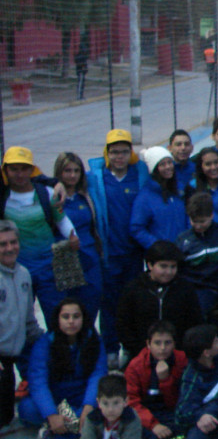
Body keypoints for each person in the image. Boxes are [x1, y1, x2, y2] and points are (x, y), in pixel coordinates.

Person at [87, 130, 149, 366]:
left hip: (134, 254)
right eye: (114, 152)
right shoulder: (96, 178)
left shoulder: (140, 175)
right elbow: (65, 178)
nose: (119, 156)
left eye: (124, 151)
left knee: (132, 302)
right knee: (109, 304)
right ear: (107, 153)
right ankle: (110, 349)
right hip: (109, 254)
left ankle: (130, 348)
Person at [1, 147, 82, 323]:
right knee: (19, 318)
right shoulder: (3, 196)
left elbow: (61, 220)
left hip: (49, 267)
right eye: (14, 169)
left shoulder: (46, 193)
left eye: (24, 168)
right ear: (5, 170)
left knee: (56, 316)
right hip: (16, 268)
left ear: (32, 169)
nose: (19, 174)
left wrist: (73, 236)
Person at [20, 297, 107, 439]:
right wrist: (51, 414)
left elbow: (98, 375)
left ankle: (54, 433)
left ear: (84, 318)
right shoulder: (45, 343)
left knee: (110, 405)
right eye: (65, 317)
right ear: (57, 319)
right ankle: (79, 428)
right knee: (27, 408)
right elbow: (38, 382)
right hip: (56, 399)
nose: (71, 321)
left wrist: (88, 406)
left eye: (76, 316)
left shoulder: (93, 340)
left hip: (82, 398)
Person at [116, 239, 203, 362]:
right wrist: (140, 351)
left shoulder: (185, 289)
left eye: (173, 267)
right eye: (163, 266)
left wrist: (181, 351)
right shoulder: (133, 289)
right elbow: (123, 324)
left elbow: (194, 322)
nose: (168, 272)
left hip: (178, 356)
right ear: (150, 265)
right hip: (140, 356)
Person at [0, 220, 42, 439]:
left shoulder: (24, 274)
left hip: (15, 352)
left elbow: (29, 323)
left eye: (13, 242)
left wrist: (52, 341)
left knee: (11, 416)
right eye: (3, 244)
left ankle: (63, 426)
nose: (9, 248)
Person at [124, 319, 188, 439]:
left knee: (191, 425)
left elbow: (182, 399)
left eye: (167, 343)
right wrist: (154, 425)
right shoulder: (135, 366)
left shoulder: (182, 360)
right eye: (157, 343)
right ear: (148, 344)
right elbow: (132, 402)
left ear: (174, 344)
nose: (163, 348)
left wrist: (165, 380)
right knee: (128, 425)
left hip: (172, 412)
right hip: (147, 413)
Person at [53, 152, 103, 318]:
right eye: (67, 170)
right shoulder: (52, 196)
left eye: (76, 170)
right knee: (66, 312)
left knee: (90, 305)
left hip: (89, 258)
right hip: (64, 260)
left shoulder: (86, 196)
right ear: (59, 172)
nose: (72, 175)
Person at [177, 193, 218, 318]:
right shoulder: (183, 240)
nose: (198, 226)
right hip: (196, 289)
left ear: (212, 215)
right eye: (194, 221)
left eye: (202, 221)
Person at [130, 146, 188, 249]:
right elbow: (137, 229)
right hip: (162, 257)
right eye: (162, 164)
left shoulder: (180, 190)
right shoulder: (145, 197)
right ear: (154, 169)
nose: (168, 167)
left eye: (170, 162)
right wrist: (157, 247)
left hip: (183, 251)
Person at [74, 32, 89, 101]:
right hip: (80, 71)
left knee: (82, 84)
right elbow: (78, 63)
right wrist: (83, 66)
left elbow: (85, 64)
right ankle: (79, 96)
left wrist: (85, 68)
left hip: (82, 72)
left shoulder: (83, 56)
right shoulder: (79, 56)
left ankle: (81, 95)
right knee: (80, 84)